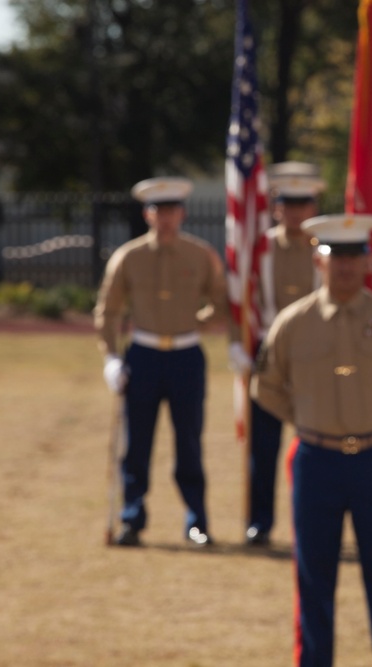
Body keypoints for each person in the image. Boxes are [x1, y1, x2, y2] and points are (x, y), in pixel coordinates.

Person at [252, 213, 372, 667]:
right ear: (317, 260)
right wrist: (305, 419)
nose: (345, 266)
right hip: (315, 461)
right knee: (313, 580)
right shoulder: (292, 322)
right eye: (335, 256)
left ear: (367, 260)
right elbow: (265, 386)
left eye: (354, 256)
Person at [94, 176, 231, 548]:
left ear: (182, 213)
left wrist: (195, 322)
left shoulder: (200, 254)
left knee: (189, 441)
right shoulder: (129, 256)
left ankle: (196, 521)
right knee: (136, 443)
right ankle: (132, 518)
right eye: (158, 210)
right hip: (143, 355)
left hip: (186, 356)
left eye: (171, 210)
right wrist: (110, 358)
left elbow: (220, 301)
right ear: (147, 214)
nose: (165, 217)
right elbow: (108, 311)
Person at [233, 161, 325, 547]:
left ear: (313, 207)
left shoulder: (327, 248)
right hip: (269, 353)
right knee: (264, 444)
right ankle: (260, 521)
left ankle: (320, 519)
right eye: (288, 203)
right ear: (275, 207)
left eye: (302, 203)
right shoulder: (259, 247)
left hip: (315, 353)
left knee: (320, 440)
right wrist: (236, 343)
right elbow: (238, 295)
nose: (295, 211)